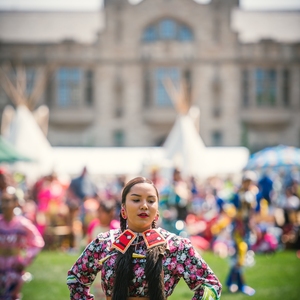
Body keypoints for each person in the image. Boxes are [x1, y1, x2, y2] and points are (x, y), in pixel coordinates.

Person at [67, 176, 222, 300]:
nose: (144, 206)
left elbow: (210, 285)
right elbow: (76, 278)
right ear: (123, 209)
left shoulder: (176, 246)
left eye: (150, 200)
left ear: (158, 211)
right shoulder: (104, 243)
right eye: (136, 200)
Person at [0, 186, 45, 300]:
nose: (5, 205)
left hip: (14, 267)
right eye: (3, 201)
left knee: (11, 296)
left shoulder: (22, 224)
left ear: (15, 203)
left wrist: (25, 260)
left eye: (8, 201)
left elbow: (37, 242)